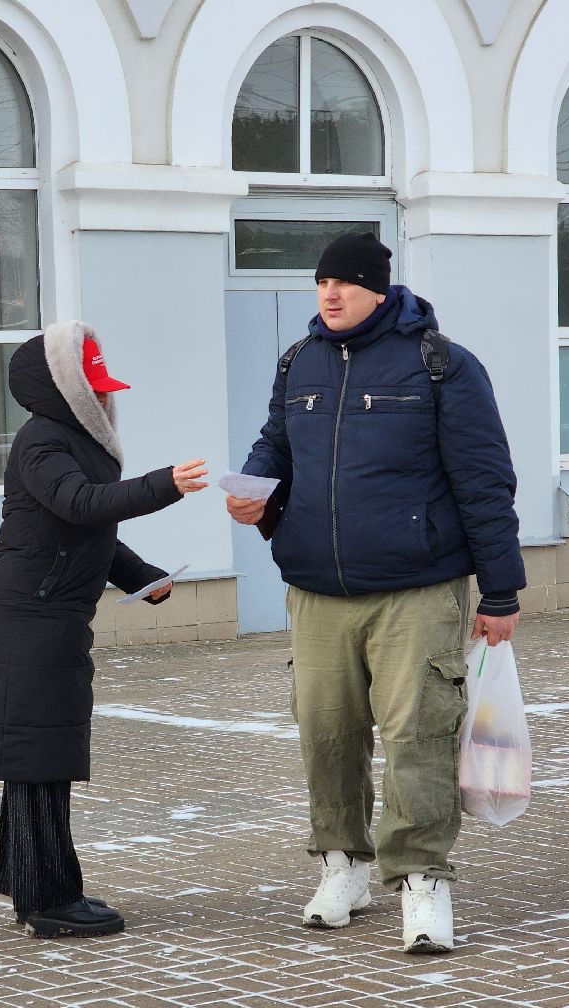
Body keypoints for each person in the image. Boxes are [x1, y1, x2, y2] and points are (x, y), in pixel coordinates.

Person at [226, 232, 524, 954]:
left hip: (416, 589)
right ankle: (343, 865)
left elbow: (485, 483)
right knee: (325, 732)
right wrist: (254, 489)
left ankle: (422, 879)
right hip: (317, 589)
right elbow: (277, 444)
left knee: (418, 734)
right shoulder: (299, 361)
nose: (329, 294)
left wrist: (501, 593)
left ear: (379, 289)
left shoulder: (441, 365)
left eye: (345, 283)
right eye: (322, 282)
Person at [0, 320, 207, 938]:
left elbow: (88, 534)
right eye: (95, 389)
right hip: (30, 619)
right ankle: (49, 901)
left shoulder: (72, 442)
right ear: (67, 391)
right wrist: (164, 485)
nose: (106, 400)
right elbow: (82, 506)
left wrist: (144, 577)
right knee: (38, 759)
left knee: (41, 757)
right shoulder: (42, 443)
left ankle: (29, 882)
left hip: (51, 615)